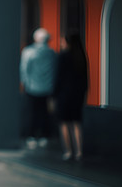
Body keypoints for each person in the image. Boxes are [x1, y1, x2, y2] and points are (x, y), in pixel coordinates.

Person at [53, 32, 88, 161]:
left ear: (67, 42)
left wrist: (54, 95)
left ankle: (68, 151)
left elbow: (58, 77)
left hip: (64, 96)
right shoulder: (82, 57)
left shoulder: (63, 56)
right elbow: (85, 80)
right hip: (78, 96)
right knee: (76, 123)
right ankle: (79, 152)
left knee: (64, 123)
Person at [19, 28, 57, 149]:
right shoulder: (52, 53)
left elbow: (24, 69)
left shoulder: (28, 52)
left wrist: (24, 83)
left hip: (31, 87)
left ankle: (32, 136)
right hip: (47, 88)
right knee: (44, 112)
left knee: (32, 112)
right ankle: (44, 135)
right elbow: (55, 71)